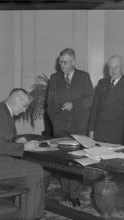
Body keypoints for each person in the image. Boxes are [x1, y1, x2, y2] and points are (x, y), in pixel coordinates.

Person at [0, 88, 46, 220]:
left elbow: (1, 139)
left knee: (33, 176)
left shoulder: (4, 112)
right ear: (16, 99)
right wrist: (24, 147)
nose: (25, 110)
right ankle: (30, 219)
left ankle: (29, 218)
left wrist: (17, 141)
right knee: (36, 170)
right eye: (24, 105)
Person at [46, 48, 93, 207]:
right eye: (60, 61)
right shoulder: (54, 78)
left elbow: (90, 99)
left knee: (76, 162)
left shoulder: (84, 77)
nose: (61, 65)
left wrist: (75, 105)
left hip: (79, 127)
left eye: (65, 62)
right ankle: (65, 190)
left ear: (73, 62)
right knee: (63, 161)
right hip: (60, 127)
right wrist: (55, 121)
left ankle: (75, 194)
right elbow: (49, 104)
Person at [88, 55, 124, 144]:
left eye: (116, 67)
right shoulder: (102, 83)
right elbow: (95, 108)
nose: (113, 70)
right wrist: (91, 129)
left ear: (121, 67)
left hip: (118, 134)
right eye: (111, 67)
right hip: (99, 132)